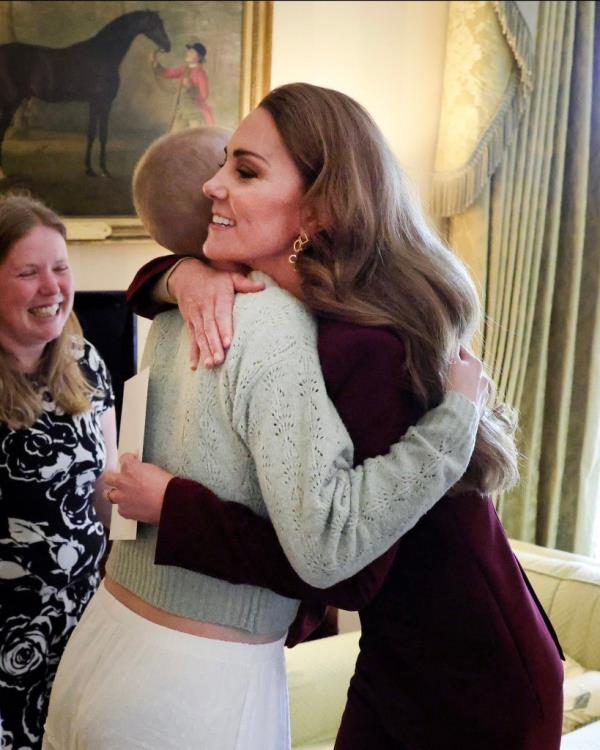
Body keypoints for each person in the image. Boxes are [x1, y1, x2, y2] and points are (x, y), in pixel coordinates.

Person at [44, 90, 497, 750]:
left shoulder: (185, 309)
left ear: (321, 205)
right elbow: (330, 552)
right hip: (194, 681)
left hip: (104, 645)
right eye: (223, 167)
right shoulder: (259, 321)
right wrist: (456, 423)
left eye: (245, 170)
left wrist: (180, 275)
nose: (213, 186)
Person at [0, 194, 117, 750]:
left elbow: (107, 492)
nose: (52, 288)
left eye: (61, 268)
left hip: (80, 631)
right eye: (28, 272)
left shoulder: (86, 362)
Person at [153, 41, 215, 129]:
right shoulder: (184, 69)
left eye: (192, 52)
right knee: (175, 137)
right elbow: (168, 73)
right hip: (182, 111)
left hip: (194, 113)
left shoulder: (200, 74)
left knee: (195, 137)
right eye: (189, 51)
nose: (188, 53)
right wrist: (156, 65)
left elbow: (204, 96)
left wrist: (190, 87)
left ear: (199, 57)